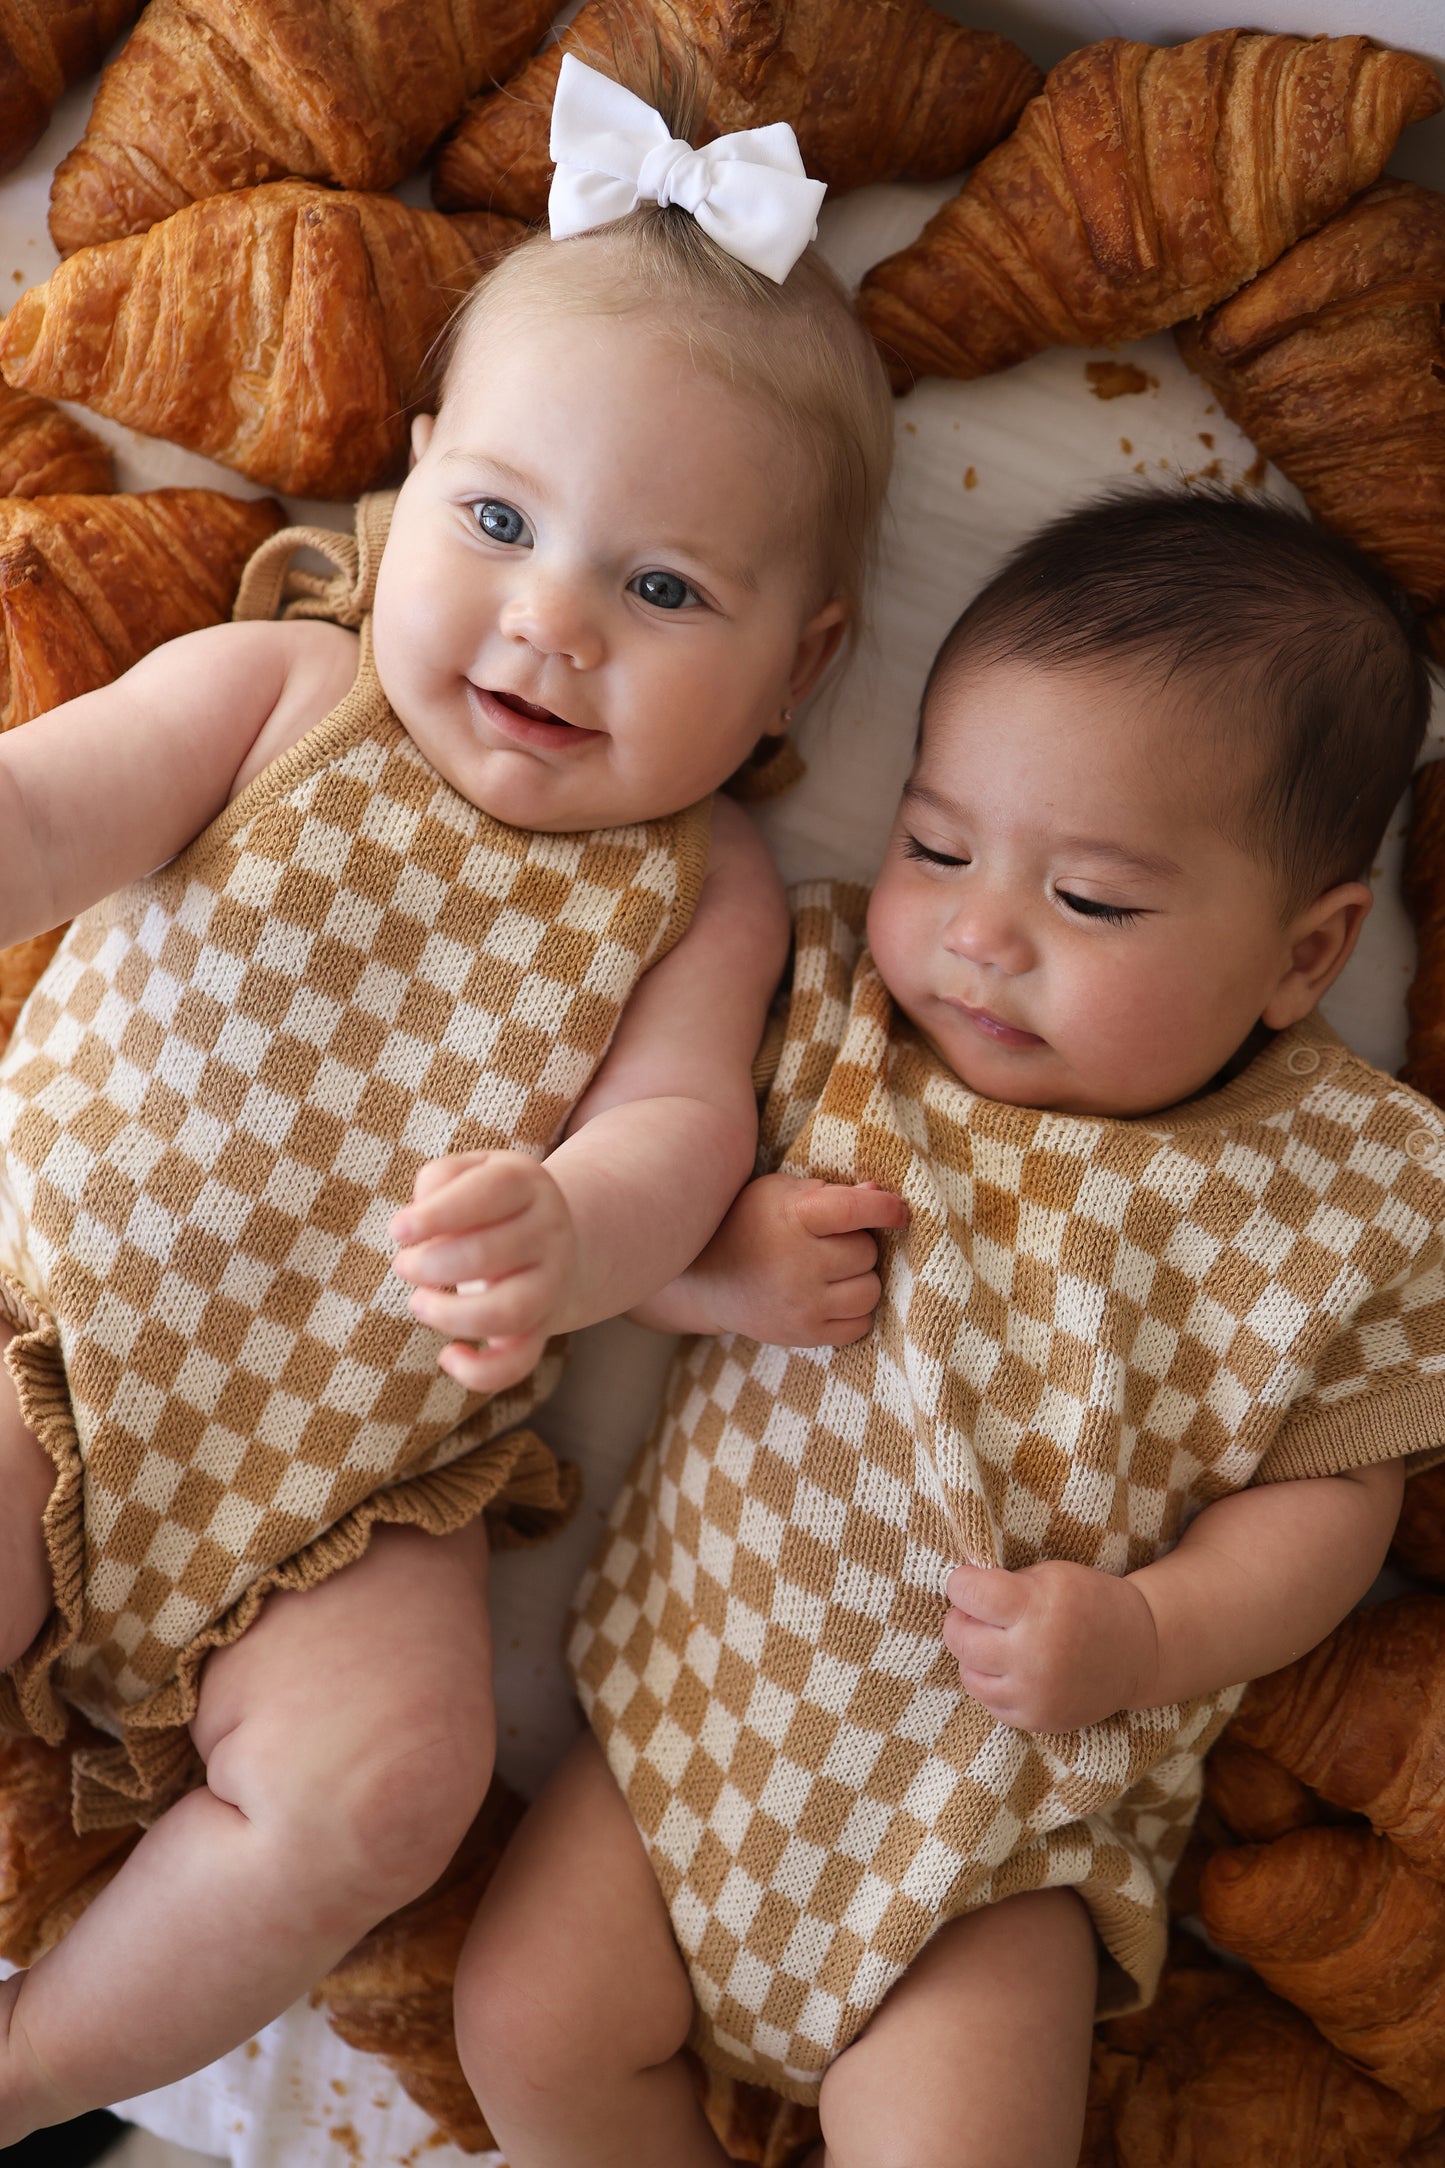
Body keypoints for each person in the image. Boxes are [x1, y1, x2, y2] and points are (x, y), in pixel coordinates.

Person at [0, 55, 894, 2140]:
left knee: (393, 1786)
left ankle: (30, 2074)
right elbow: (55, 800)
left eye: (664, 592)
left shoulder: (709, 888)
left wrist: (585, 1233)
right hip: (51, 1335)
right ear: (403, 490)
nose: (550, 624)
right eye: (497, 522)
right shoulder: (289, 688)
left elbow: (681, 1141)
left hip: (346, 1500)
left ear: (804, 667)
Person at [458, 488, 1445, 2168]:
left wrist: (1146, 1635)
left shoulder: (1339, 1192)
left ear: (1308, 954)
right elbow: (636, 1195)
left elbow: (1336, 1501)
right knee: (527, 2031)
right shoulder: (838, 1018)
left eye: (1096, 903)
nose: (978, 934)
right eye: (935, 847)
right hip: (681, 1730)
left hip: (997, 1837)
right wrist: (718, 1264)